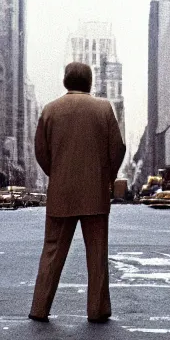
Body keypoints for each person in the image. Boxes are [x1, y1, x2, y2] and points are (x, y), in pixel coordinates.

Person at [29, 62, 126, 323]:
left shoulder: (50, 110)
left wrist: (57, 173)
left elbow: (40, 151)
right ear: (89, 82)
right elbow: (118, 148)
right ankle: (97, 309)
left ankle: (40, 307)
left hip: (61, 193)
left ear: (65, 81)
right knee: (97, 254)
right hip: (95, 193)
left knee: (52, 250)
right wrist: (107, 175)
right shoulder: (104, 108)